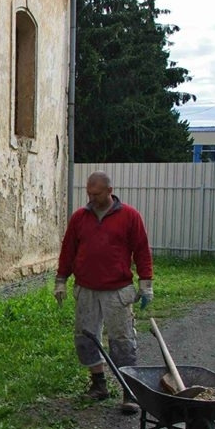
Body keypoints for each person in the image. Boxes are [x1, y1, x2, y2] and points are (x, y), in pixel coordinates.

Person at [55, 171, 153, 415]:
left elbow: (142, 250)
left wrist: (146, 283)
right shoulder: (80, 218)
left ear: (110, 191)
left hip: (117, 290)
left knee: (122, 340)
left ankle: (129, 392)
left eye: (96, 194)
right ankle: (98, 384)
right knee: (86, 337)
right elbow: (68, 250)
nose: (91, 198)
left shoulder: (130, 216)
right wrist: (61, 280)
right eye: (88, 193)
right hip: (86, 289)